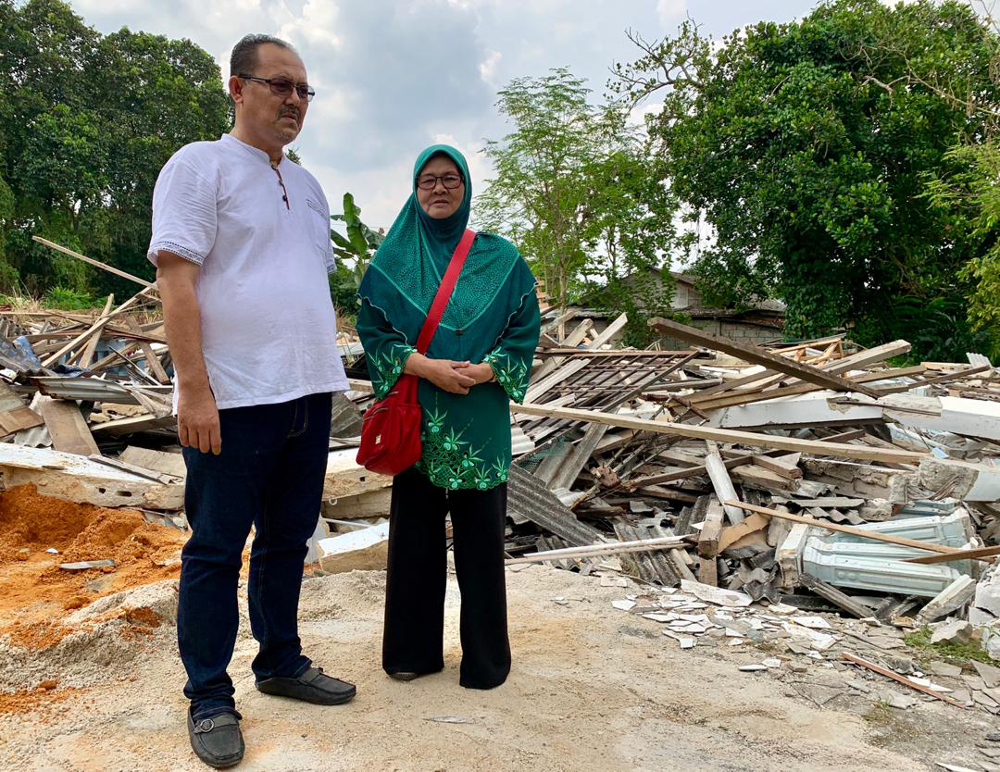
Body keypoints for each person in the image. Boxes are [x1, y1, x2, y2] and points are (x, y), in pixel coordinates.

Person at [148, 34, 356, 769]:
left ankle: (281, 662)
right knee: (213, 550)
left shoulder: (308, 187)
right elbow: (177, 281)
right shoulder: (199, 166)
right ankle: (208, 695)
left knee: (285, 543)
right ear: (237, 88)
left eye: (304, 90)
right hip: (232, 401)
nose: (294, 100)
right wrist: (194, 390)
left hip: (306, 396)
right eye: (280, 85)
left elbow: (303, 286)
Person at [356, 144, 541, 690]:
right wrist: (426, 368)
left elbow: (524, 332)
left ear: (465, 188)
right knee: (414, 541)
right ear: (414, 191)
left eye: (450, 179)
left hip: (479, 420)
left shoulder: (501, 258)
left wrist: (484, 373)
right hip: (417, 415)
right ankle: (412, 653)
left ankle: (486, 662)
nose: (439, 189)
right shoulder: (390, 264)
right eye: (428, 181)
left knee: (482, 543)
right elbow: (374, 334)